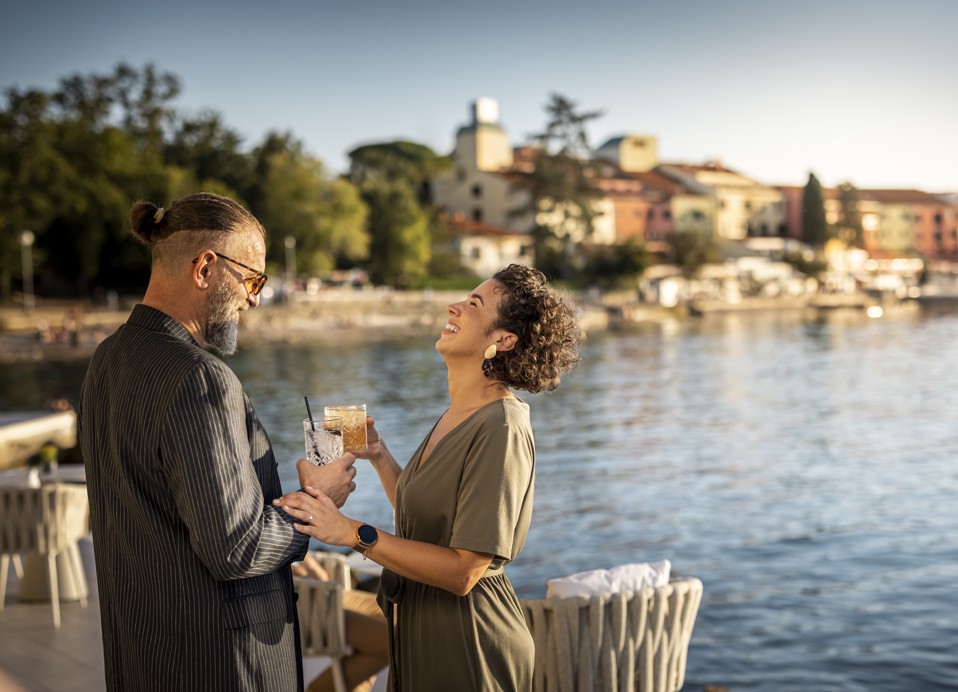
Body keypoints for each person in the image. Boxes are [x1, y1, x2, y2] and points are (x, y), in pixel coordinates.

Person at [78, 192, 357, 692]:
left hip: (141, 651)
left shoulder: (107, 359)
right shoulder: (201, 377)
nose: (255, 298)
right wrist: (319, 503)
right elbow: (237, 548)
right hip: (220, 664)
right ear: (205, 267)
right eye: (252, 278)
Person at [277, 264, 582, 691]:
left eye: (474, 304)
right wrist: (380, 456)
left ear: (502, 340)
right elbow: (424, 517)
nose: (453, 306)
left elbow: (464, 571)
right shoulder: (456, 415)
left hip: (467, 641)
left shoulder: (502, 426)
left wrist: (350, 533)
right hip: (419, 625)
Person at [291, 554, 388, 692]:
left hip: (321, 591)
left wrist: (312, 568)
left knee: (396, 613)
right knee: (388, 639)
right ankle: (318, 689)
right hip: (308, 601)